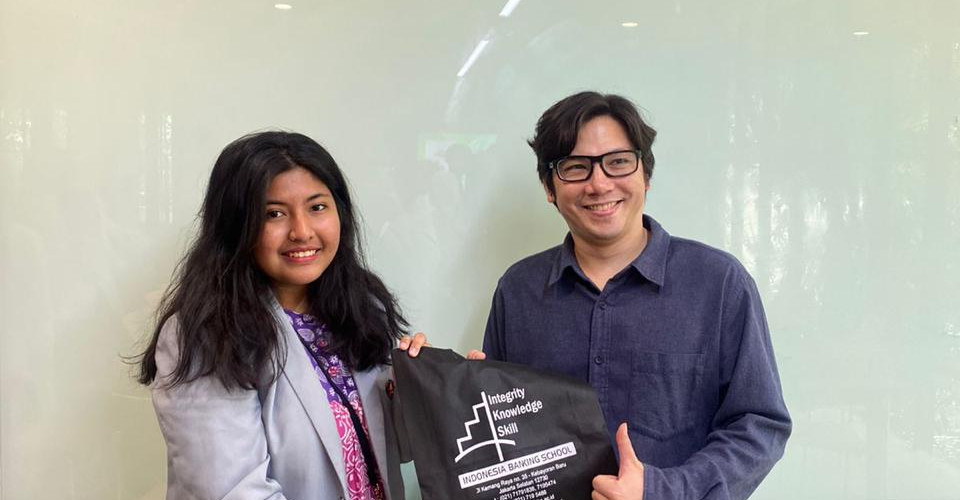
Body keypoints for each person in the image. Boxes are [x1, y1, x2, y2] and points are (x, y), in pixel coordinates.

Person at [475, 92, 792, 499]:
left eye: (618, 161)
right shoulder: (518, 290)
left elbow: (759, 425)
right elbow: (500, 437)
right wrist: (456, 390)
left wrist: (662, 490)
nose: (599, 183)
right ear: (549, 187)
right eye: (576, 167)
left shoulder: (718, 283)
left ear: (646, 174)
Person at [137, 131, 425, 500]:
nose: (302, 232)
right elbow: (233, 491)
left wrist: (443, 388)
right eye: (274, 214)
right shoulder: (206, 335)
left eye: (317, 207)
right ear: (236, 226)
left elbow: (390, 447)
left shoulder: (363, 309)